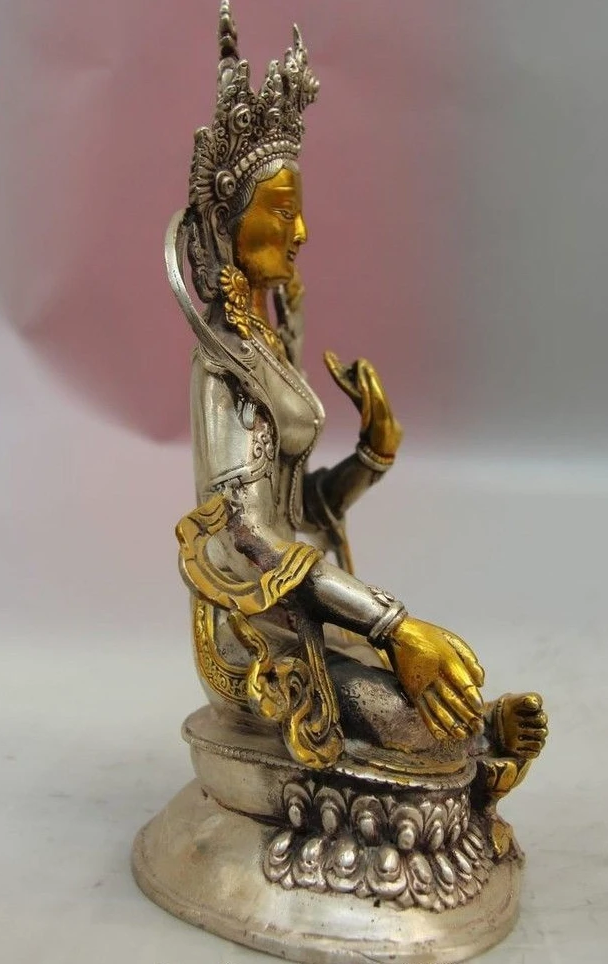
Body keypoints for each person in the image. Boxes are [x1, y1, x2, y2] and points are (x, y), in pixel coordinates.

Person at [168, 1, 547, 778]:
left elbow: (300, 508)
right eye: (281, 214)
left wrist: (371, 456)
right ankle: (468, 747)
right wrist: (391, 625)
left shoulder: (268, 346)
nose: (300, 233)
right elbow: (249, 536)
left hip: (310, 600)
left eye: (299, 214)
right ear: (227, 229)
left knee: (440, 688)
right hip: (258, 627)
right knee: (418, 721)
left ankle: (468, 743)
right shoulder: (225, 367)